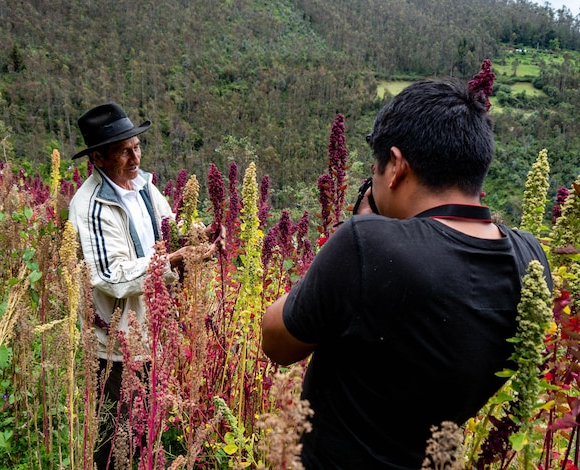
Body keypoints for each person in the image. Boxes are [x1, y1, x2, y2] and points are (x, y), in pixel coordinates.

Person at [261, 80, 553, 469]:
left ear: (396, 166)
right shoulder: (531, 261)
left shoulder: (366, 246)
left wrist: (353, 242)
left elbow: (277, 341)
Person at [68, 101, 220, 469]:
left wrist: (203, 239)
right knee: (117, 447)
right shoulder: (91, 207)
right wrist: (175, 259)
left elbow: (171, 230)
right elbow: (111, 275)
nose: (135, 157)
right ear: (99, 159)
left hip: (152, 337)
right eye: (123, 151)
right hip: (116, 350)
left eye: (136, 146)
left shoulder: (145, 189)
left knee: (148, 436)